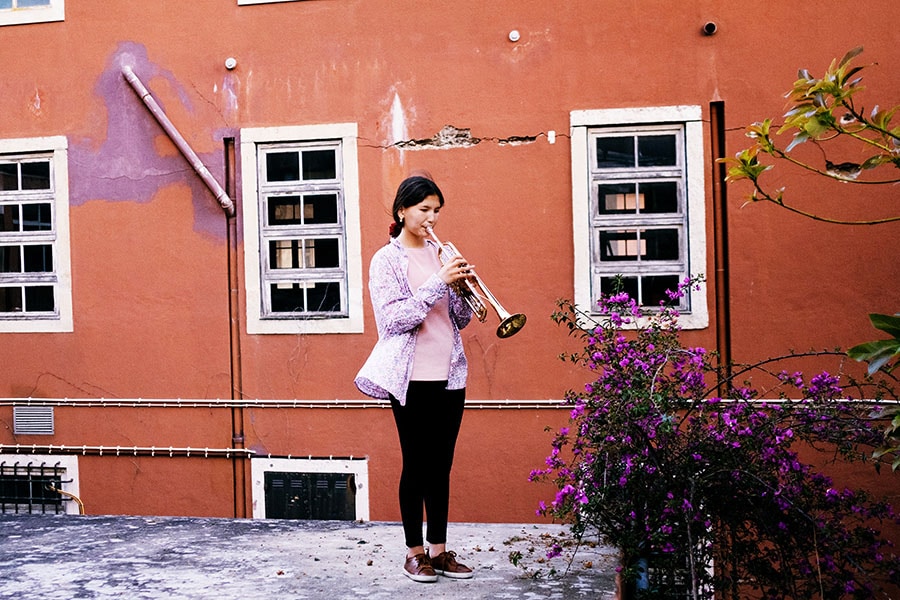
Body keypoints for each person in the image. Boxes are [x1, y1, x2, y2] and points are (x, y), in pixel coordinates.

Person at [355, 175, 476, 583]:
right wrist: (436, 282)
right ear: (402, 210)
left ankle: (440, 552)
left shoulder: (440, 253)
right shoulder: (385, 261)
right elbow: (393, 321)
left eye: (436, 210)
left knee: (442, 465)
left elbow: (457, 320)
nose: (432, 218)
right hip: (410, 377)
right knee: (417, 464)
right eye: (424, 209)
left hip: (450, 373)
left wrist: (460, 289)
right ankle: (415, 552)